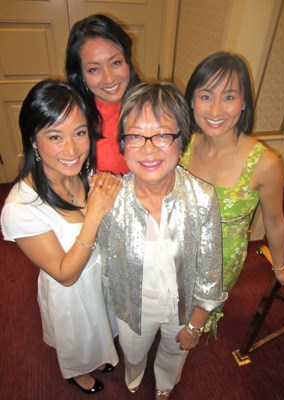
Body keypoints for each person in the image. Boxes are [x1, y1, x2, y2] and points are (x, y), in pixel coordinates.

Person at [97, 81, 228, 399]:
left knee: (175, 351)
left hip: (181, 308)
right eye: (136, 136)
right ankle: (134, 376)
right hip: (132, 305)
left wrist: (196, 324)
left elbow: (210, 271)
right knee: (134, 351)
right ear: (123, 144)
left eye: (162, 135)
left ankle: (165, 385)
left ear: (181, 141)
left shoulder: (201, 197)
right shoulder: (109, 198)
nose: (149, 148)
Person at [0, 79, 122, 394]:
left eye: (80, 133)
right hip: (72, 292)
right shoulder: (21, 207)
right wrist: (94, 213)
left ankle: (100, 353)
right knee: (79, 338)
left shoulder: (78, 170)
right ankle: (77, 372)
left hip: (99, 277)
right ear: (34, 140)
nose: (72, 149)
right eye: (55, 136)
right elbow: (65, 276)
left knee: (103, 326)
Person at [182, 51, 284, 333]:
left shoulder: (265, 162)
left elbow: (274, 221)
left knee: (192, 327)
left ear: (244, 103)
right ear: (192, 99)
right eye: (206, 96)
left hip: (218, 266)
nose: (216, 110)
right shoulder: (182, 143)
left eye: (229, 97)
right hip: (173, 250)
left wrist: (279, 268)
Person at [65, 14, 141, 175]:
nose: (109, 79)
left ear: (128, 60)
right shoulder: (71, 119)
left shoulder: (150, 106)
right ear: (81, 74)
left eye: (116, 63)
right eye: (94, 69)